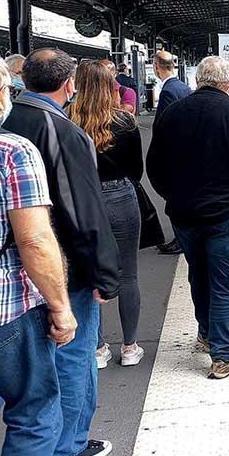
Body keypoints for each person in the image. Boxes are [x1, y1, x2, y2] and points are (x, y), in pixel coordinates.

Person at [3, 47, 119, 456]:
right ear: (69, 85)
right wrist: (106, 274)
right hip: (62, 266)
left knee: (35, 357)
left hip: (14, 270)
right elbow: (85, 213)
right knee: (74, 354)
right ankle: (66, 446)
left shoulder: (6, 122)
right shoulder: (65, 132)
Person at [0, 50, 77, 456]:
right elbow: (36, 241)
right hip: (1, 315)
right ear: (2, 96)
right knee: (34, 415)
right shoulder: (10, 151)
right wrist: (60, 307)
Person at [147, 56, 229, 379]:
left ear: (198, 81)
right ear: (227, 83)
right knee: (224, 284)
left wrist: (171, 195)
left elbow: (153, 165)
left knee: (198, 276)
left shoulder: (172, 114)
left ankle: (206, 334)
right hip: (228, 215)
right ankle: (223, 355)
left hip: (184, 215)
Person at [69, 62, 146, 368]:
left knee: (88, 272)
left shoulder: (67, 121)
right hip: (121, 197)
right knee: (128, 273)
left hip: (80, 201)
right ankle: (130, 347)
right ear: (109, 87)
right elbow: (136, 170)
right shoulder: (125, 123)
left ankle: (98, 347)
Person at [150, 50, 188, 256]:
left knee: (174, 199)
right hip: (185, 151)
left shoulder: (167, 91)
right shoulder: (182, 87)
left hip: (174, 153)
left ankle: (179, 239)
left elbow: (165, 126)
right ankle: (180, 238)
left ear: (156, 67)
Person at [153, 50, 190, 120]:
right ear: (172, 65)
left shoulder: (167, 92)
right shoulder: (185, 87)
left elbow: (164, 123)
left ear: (156, 66)